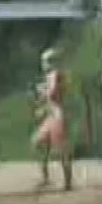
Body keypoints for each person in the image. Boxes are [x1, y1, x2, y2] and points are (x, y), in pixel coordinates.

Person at [30, 47, 74, 192]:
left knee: (60, 150)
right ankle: (46, 177)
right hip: (51, 116)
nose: (44, 64)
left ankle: (67, 181)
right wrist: (42, 107)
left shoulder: (56, 74)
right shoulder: (50, 76)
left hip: (58, 116)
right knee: (38, 143)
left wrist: (42, 91)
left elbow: (53, 94)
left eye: (46, 61)